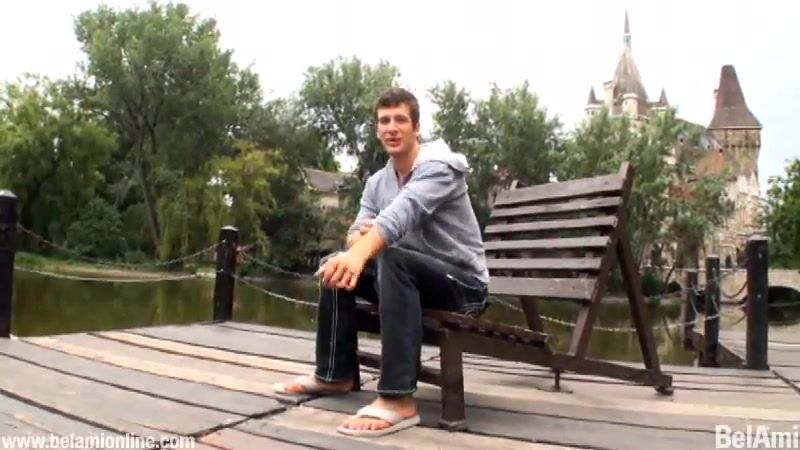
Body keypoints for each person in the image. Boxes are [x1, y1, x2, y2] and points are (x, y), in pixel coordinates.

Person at [274, 87, 489, 437]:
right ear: (377, 129)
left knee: (388, 257)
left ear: (416, 127)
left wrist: (371, 239)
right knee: (335, 263)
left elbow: (402, 214)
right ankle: (335, 374)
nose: (391, 127)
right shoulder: (378, 182)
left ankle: (398, 399)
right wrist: (359, 244)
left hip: (463, 286)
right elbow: (354, 236)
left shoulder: (440, 168)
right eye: (384, 121)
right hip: (408, 279)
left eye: (400, 120)